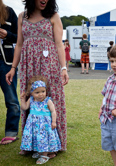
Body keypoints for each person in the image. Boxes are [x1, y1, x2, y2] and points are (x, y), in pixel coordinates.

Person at [5, 0, 69, 156]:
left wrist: (63, 68)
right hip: (28, 65)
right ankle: (30, 144)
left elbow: (59, 44)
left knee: (50, 99)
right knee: (29, 97)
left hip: (50, 65)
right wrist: (13, 68)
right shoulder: (22, 17)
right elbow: (19, 44)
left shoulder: (53, 16)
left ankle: (53, 144)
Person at [20, 75, 61, 164]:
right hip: (34, 125)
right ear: (31, 93)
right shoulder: (31, 100)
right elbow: (24, 107)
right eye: (37, 92)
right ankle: (39, 152)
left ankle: (44, 155)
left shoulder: (47, 101)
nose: (41, 94)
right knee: (36, 138)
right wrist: (22, 99)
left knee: (44, 139)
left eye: (43, 91)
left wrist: (54, 122)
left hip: (44, 125)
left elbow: (53, 111)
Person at [0, 0, 20, 145]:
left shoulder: (8, 11)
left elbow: (20, 37)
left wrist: (7, 34)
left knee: (11, 99)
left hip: (6, 62)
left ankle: (11, 132)